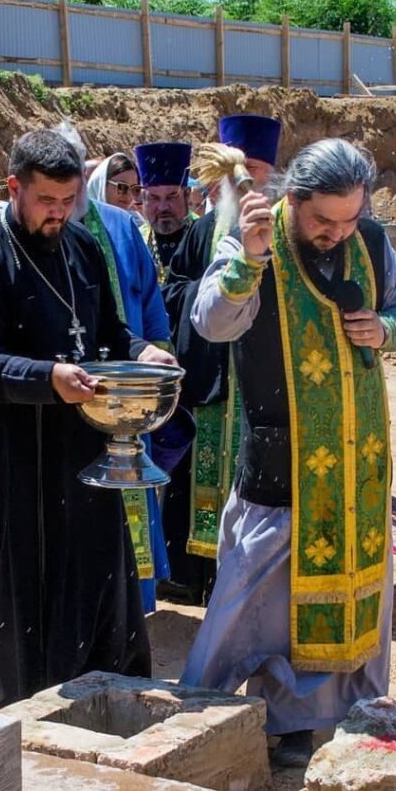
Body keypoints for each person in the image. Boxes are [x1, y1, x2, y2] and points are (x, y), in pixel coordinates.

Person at [180, 139, 396, 768]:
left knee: (351, 594)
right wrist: (249, 263)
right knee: (251, 600)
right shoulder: (250, 238)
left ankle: (323, 718)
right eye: (324, 221)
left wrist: (387, 328)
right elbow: (212, 322)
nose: (337, 233)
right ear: (293, 199)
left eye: (349, 219)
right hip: (280, 461)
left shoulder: (368, 240)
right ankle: (194, 715)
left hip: (357, 465)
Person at [0, 130, 175, 711]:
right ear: (15, 189)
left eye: (67, 203)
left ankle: (98, 693)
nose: (58, 214)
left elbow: (109, 333)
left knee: (89, 567)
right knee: (13, 587)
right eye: (46, 202)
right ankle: (13, 708)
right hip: (5, 453)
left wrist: (140, 353)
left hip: (76, 445)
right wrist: (48, 378)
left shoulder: (83, 248)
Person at [161, 114, 282, 605]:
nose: (244, 181)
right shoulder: (205, 229)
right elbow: (174, 292)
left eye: (253, 168)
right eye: (236, 171)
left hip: (262, 384)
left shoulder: (287, 229)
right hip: (211, 379)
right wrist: (212, 297)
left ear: (271, 171)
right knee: (198, 479)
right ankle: (193, 580)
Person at [59, 122, 173, 614]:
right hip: (62, 392)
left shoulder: (123, 226)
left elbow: (149, 305)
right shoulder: (29, 232)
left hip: (124, 396)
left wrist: (156, 358)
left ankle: (137, 601)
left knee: (131, 495)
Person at [136, 142, 193, 284]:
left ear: (187, 195)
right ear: (143, 198)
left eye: (172, 196)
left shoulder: (204, 236)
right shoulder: (136, 241)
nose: (162, 207)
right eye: (154, 198)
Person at [87, 153, 143, 218]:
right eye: (122, 187)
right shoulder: (81, 224)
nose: (129, 196)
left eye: (135, 189)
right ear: (102, 185)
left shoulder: (137, 223)